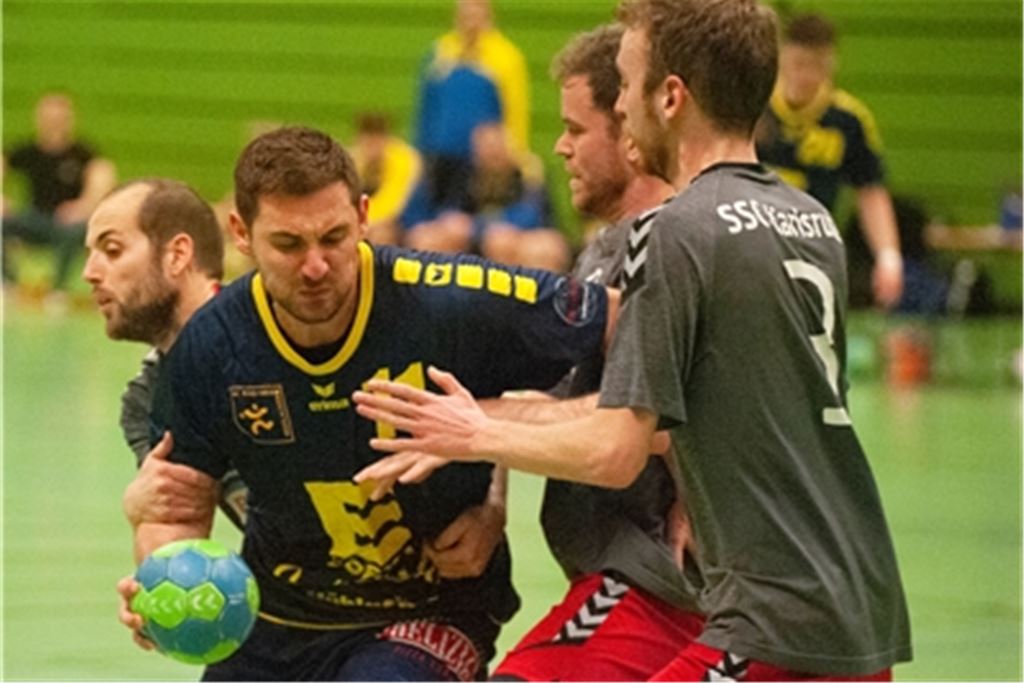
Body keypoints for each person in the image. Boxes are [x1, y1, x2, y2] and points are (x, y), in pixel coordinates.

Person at [353, 1, 913, 680]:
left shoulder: (674, 230)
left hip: (774, 615)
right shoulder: (811, 218)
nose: (622, 109)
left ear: (670, 97)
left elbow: (617, 447)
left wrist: (471, 430)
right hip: (862, 599)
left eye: (626, 84)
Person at [116, 126, 616, 681]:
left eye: (333, 237)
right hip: (275, 622)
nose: (315, 266)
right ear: (240, 232)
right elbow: (176, 508)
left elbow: (628, 319)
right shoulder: (209, 347)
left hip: (428, 614)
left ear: (363, 215)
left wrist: (671, 469)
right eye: (288, 244)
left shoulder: (447, 299)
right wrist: (164, 588)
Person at [485, 24, 703, 680]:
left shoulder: (665, 245)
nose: (560, 146)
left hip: (657, 584)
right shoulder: (607, 249)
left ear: (630, 133)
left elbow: (674, 419)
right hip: (613, 577)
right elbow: (557, 400)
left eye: (576, 129)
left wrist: (471, 431)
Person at [81, 178, 246, 532]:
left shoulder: (275, 330)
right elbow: (174, 529)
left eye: (111, 251)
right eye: (89, 255)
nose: (89, 273)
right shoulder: (146, 403)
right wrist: (144, 512)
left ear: (177, 255)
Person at [756, 13, 903, 309]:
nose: (807, 76)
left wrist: (889, 256)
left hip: (813, 252)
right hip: (754, 250)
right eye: (799, 64)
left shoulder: (848, 120)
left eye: (818, 66)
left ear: (832, 63)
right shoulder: (753, 106)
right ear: (782, 57)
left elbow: (870, 190)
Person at [412, 0, 529, 217]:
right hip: (440, 157)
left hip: (481, 163)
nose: (471, 22)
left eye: (477, 16)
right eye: (465, 15)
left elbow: (515, 111)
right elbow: (426, 107)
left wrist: (515, 152)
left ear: (489, 18)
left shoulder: (506, 57)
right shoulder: (439, 53)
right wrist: (419, 149)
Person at [407, 122, 569, 272]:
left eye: (496, 148)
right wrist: (458, 224)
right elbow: (447, 208)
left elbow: (534, 215)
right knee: (427, 238)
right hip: (475, 238)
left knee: (511, 244)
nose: (491, 154)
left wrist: (487, 226)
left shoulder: (528, 172)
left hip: (519, 235)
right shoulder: (464, 174)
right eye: (485, 148)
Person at [4, 91, 117, 300]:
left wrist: (82, 206)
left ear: (69, 120)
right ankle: (6, 283)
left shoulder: (83, 153)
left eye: (59, 117)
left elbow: (102, 178)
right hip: (35, 219)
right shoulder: (27, 151)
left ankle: (57, 289)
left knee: (77, 230)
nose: (53, 122)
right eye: (48, 117)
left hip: (67, 223)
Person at [351, 112, 422, 246]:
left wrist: (365, 222)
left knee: (380, 234)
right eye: (367, 141)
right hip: (369, 221)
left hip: (406, 221)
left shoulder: (404, 159)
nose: (371, 147)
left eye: (376, 141)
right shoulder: (355, 159)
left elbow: (394, 203)